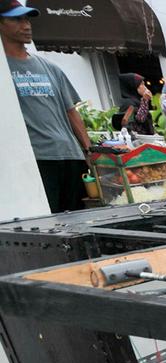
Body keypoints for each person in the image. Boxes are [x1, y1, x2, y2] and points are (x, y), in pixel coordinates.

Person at [3, 1, 91, 212]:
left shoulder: (50, 68)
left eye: (26, 19)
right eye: (16, 19)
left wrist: (89, 151)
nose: (26, 25)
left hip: (70, 156)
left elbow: (71, 112)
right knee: (49, 222)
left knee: (78, 220)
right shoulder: (3, 70)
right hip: (36, 160)